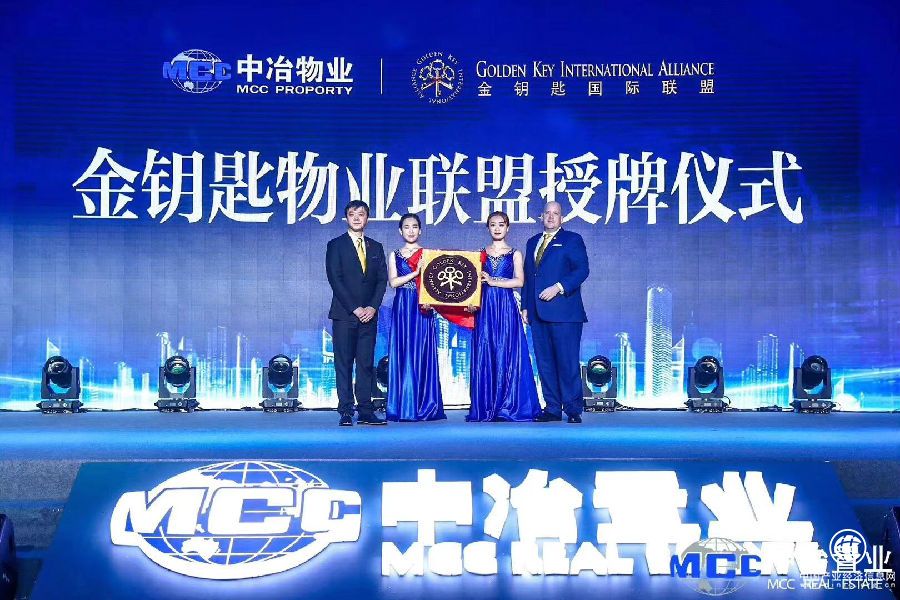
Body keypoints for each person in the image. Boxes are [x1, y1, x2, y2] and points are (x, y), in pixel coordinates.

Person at [467, 211, 542, 422]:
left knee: (507, 351)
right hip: (485, 308)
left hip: (506, 307)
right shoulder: (480, 254)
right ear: (488, 228)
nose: (497, 228)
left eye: (501, 224)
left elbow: (519, 281)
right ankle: (487, 405)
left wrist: (493, 281)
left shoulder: (515, 253)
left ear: (507, 228)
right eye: (493, 224)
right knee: (486, 350)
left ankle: (508, 405)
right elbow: (473, 283)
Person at [521, 201, 590, 423]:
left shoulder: (572, 239)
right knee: (545, 363)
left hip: (565, 313)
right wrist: (525, 306)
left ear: (562, 218)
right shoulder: (532, 242)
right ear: (541, 216)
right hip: (537, 313)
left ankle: (573, 409)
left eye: (556, 213)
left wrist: (558, 287)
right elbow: (529, 277)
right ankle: (552, 408)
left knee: (567, 362)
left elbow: (582, 270)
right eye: (547, 213)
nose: (551, 217)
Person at [325, 200, 388, 426]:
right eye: (352, 214)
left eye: (361, 214)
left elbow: (381, 280)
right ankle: (345, 411)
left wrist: (372, 307)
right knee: (343, 364)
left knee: (365, 363)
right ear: (346, 218)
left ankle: (365, 411)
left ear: (367, 218)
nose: (357, 218)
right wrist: (355, 308)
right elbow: (335, 279)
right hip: (344, 314)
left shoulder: (376, 247)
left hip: (369, 315)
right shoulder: (336, 245)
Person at [386, 213, 446, 422]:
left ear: (420, 230)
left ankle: (425, 404)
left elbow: (436, 284)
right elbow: (393, 282)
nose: (410, 231)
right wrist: (415, 273)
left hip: (423, 306)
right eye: (406, 227)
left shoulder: (428, 254)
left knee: (422, 352)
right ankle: (403, 405)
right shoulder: (395, 254)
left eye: (414, 227)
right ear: (400, 231)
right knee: (403, 351)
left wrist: (432, 301)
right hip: (403, 305)